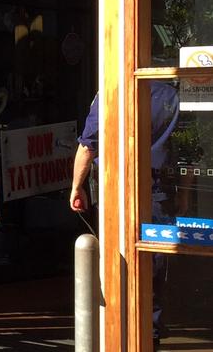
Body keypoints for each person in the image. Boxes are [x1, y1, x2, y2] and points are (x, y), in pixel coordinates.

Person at [69, 81, 188, 350]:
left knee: (116, 261)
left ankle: (119, 330)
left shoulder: (112, 89)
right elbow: (184, 152)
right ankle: (149, 333)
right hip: (159, 192)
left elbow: (88, 145)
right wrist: (184, 194)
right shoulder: (171, 95)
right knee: (154, 265)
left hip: (117, 192)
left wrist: (77, 186)